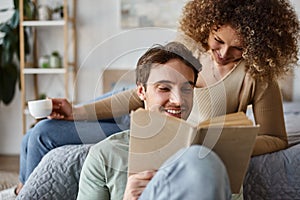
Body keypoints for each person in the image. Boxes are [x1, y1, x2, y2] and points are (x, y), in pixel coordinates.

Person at [77, 41, 232, 200]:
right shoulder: (105, 154)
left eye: (186, 89)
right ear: (141, 91)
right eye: (164, 88)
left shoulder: (215, 153)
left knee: (200, 157)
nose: (178, 101)